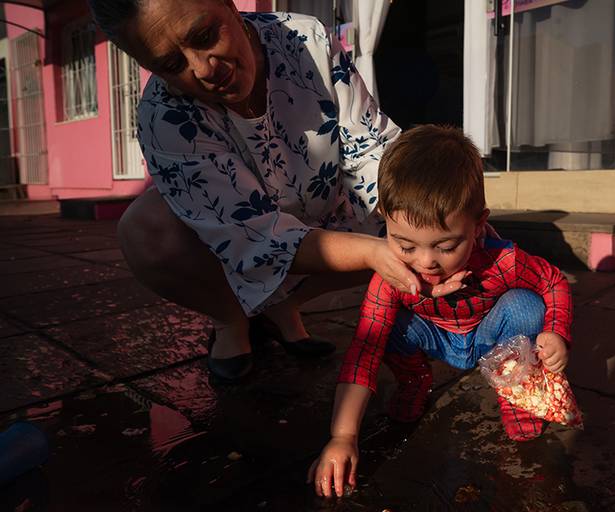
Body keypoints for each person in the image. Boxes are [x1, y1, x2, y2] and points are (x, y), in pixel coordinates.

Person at [87, 1, 466, 383]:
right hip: (243, 233)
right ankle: (230, 318)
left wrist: (442, 216)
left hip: (324, 203)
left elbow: (371, 151)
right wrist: (372, 253)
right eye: (172, 65)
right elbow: (250, 236)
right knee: (145, 229)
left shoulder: (307, 40)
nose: (204, 69)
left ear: (230, 6)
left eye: (204, 36)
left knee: (405, 213)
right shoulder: (163, 114)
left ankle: (282, 309)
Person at [307, 125, 574, 498]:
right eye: (405, 245)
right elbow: (364, 350)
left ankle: (517, 389)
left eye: (446, 246)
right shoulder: (391, 277)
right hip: (433, 335)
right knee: (385, 325)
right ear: (385, 218)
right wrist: (343, 435)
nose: (426, 262)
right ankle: (414, 381)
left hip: (487, 336)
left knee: (526, 305)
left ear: (478, 223)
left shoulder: (504, 261)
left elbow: (552, 281)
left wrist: (555, 331)